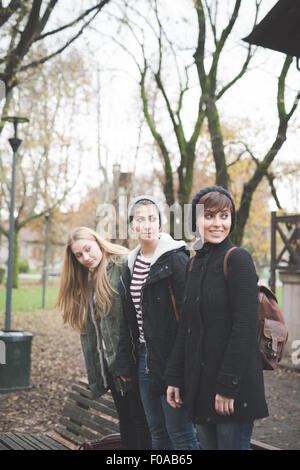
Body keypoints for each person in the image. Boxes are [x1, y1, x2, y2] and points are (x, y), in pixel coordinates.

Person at [166, 186, 269, 450]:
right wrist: (176, 378)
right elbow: (185, 328)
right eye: (209, 215)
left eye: (224, 215)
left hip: (232, 389)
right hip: (200, 387)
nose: (217, 223)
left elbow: (244, 328)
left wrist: (227, 386)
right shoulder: (192, 265)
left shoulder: (238, 260)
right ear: (195, 221)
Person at [56, 226, 151, 450]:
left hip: (131, 361)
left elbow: (135, 318)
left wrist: (126, 363)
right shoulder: (87, 279)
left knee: (141, 423)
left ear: (98, 242)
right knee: (127, 422)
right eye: (78, 255)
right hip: (111, 364)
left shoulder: (122, 264)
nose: (85, 258)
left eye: (88, 250)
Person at [116, 196, 199, 450]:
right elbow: (127, 319)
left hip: (172, 357)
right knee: (156, 431)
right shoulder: (131, 263)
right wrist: (125, 360)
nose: (148, 224)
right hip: (143, 359)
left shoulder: (175, 259)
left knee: (180, 432)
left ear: (160, 223)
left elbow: (189, 317)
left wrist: (179, 365)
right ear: (133, 226)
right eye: (141, 219)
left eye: (153, 218)